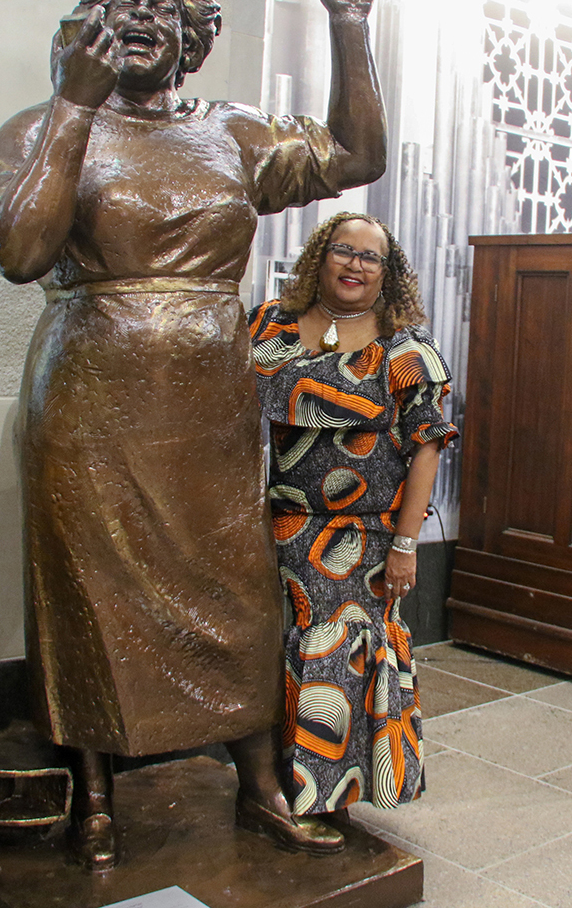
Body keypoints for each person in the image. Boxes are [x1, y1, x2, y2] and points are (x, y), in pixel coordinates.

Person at [0, 0, 389, 869]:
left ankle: (259, 784)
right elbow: (21, 252)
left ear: (192, 36)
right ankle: (92, 794)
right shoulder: (40, 127)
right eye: (121, 1)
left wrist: (349, 26)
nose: (141, 15)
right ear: (89, 24)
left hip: (207, 398)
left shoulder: (232, 131)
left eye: (163, 6)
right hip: (87, 397)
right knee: (84, 588)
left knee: (232, 585)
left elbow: (356, 154)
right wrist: (73, 106)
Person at [249, 212, 458, 819]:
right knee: (277, 656)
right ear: (321, 256)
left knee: (335, 660)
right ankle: (269, 788)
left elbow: (428, 447)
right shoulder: (272, 326)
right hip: (277, 524)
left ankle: (324, 801)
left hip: (363, 537)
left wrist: (406, 544)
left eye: (372, 257)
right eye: (344, 249)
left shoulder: (406, 349)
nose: (355, 264)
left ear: (387, 274)